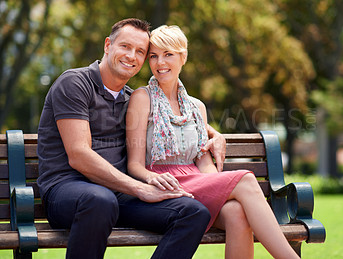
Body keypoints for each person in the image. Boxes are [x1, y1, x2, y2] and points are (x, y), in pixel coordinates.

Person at [37, 18, 227, 259]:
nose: (131, 56)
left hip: (116, 194)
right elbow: (79, 155)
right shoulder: (75, 83)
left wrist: (215, 134)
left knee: (193, 213)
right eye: (125, 46)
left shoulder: (131, 98)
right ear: (108, 45)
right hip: (66, 190)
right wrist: (140, 188)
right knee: (100, 200)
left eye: (140, 52)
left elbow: (179, 119)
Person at [126, 25, 300, 259]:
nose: (160, 63)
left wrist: (218, 186)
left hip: (196, 182)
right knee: (247, 179)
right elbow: (134, 165)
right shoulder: (142, 98)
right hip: (163, 184)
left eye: (168, 54)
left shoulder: (197, 107)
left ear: (183, 57)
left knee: (237, 212)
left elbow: (205, 164)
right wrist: (153, 179)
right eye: (154, 56)